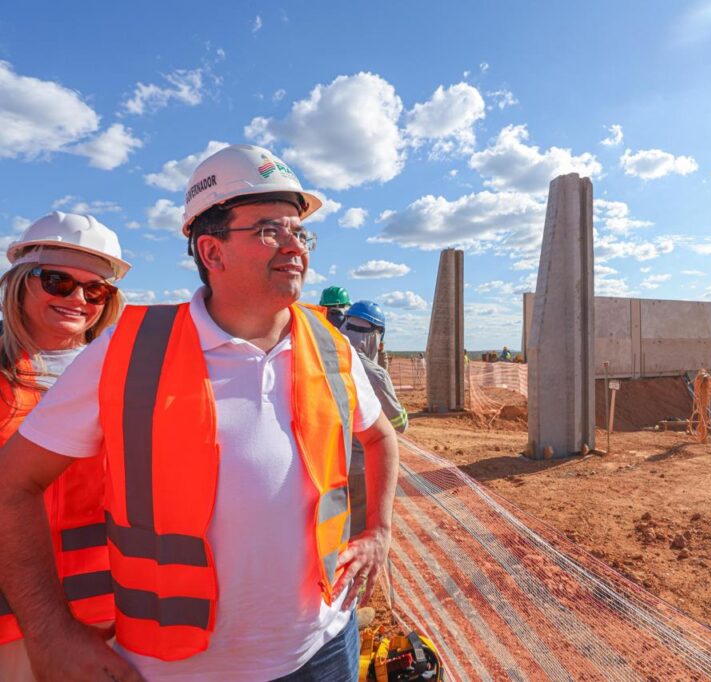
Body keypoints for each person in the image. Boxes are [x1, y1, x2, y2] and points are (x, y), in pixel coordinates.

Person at [0, 144, 400, 681]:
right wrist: (50, 632)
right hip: (176, 666)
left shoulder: (330, 346)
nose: (294, 247)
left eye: (299, 232)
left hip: (324, 648)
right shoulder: (128, 353)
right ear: (211, 253)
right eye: (268, 231)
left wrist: (379, 531)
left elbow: (379, 437)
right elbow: (12, 486)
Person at [0, 211, 131, 681]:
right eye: (57, 281)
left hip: (115, 615)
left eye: (95, 289)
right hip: (15, 623)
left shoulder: (125, 372)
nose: (77, 298)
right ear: (20, 282)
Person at [336, 300, 408, 537]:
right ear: (376, 336)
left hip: (323, 468)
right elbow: (399, 424)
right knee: (360, 541)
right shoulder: (373, 374)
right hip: (358, 471)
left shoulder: (321, 355)